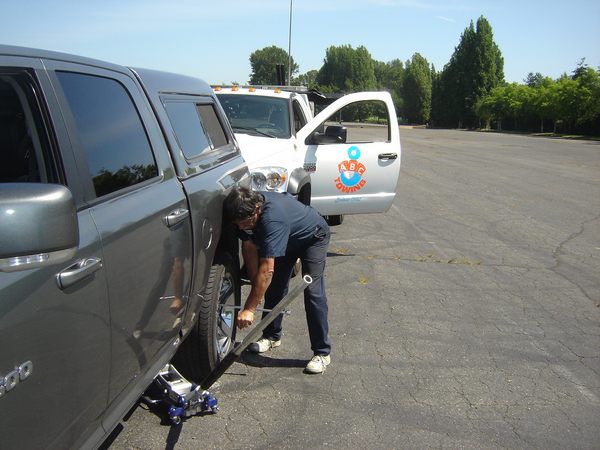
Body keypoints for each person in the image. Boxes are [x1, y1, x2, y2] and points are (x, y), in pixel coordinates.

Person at [224, 187, 332, 374]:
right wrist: (255, 286)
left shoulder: (272, 219)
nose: (242, 227)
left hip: (312, 237)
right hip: (286, 239)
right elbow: (249, 249)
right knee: (274, 288)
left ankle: (322, 352)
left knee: (313, 292)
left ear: (257, 209)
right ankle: (272, 336)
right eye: (238, 224)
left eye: (245, 222)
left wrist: (250, 308)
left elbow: (267, 270)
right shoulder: (242, 212)